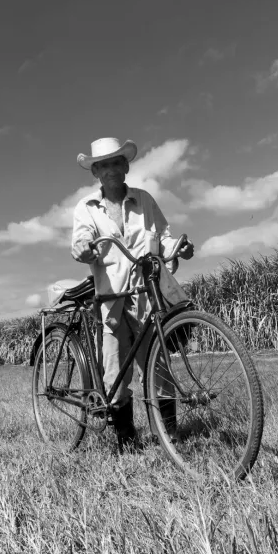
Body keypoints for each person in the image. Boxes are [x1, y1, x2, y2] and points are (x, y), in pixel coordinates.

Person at [71, 137, 194, 450]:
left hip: (146, 292)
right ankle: (125, 438)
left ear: (125, 166)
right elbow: (81, 240)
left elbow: (162, 238)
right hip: (110, 297)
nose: (111, 169)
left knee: (158, 363)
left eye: (116, 162)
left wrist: (178, 246)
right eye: (103, 165)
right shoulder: (86, 207)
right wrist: (85, 249)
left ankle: (167, 435)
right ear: (95, 172)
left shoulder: (144, 200)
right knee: (114, 368)